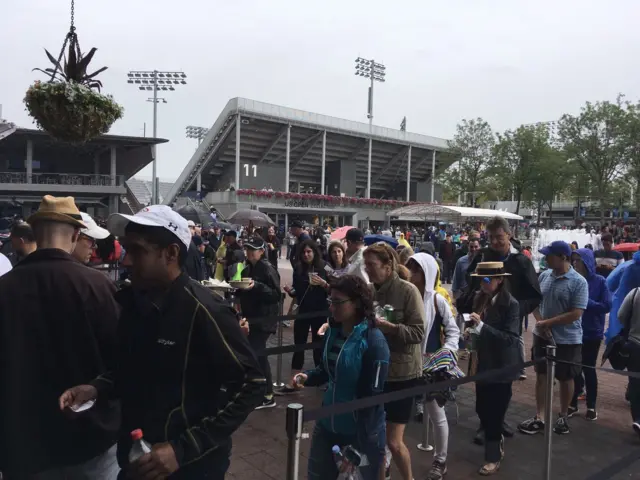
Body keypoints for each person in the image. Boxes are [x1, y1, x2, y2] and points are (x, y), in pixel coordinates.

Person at [60, 205, 266, 479]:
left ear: (171, 253)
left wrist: (183, 450)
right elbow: (135, 369)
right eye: (126, 249)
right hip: (136, 458)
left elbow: (251, 385)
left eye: (137, 251)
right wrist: (97, 388)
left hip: (191, 467)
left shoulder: (204, 311)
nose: (126, 261)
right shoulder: (133, 303)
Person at [0, 195, 120, 478]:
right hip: (89, 438)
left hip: (23, 443)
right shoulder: (97, 285)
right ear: (77, 234)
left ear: (35, 234)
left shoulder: (5, 288)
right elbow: (123, 356)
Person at [296, 275, 390, 480]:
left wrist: (358, 447)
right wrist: (308, 376)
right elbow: (327, 370)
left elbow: (371, 400)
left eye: (337, 302)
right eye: (330, 301)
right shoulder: (334, 331)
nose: (331, 307)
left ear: (356, 303)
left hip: (359, 432)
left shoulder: (374, 342)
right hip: (327, 424)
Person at [363, 243, 425, 480]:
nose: (367, 269)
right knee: (376, 438)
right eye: (365, 265)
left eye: (372, 265)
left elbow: (418, 333)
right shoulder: (368, 292)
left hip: (402, 374)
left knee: (393, 441)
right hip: (377, 371)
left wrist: (391, 328)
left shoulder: (408, 291)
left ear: (388, 267)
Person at [518, 240, 588, 436]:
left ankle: (563, 416)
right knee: (541, 376)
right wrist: (541, 323)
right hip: (542, 336)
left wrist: (550, 323)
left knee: (566, 377)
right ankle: (540, 416)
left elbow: (576, 313)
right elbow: (534, 302)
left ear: (563, 257)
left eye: (550, 256)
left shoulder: (578, 282)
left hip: (568, 339)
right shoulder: (545, 277)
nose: (546, 258)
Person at [407, 253, 459, 480]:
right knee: (394, 411)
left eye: (416, 270)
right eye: (410, 269)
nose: (411, 274)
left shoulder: (437, 300)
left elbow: (453, 330)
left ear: (426, 273)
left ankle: (440, 459)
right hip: (406, 363)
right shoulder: (405, 296)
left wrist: (445, 354)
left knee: (437, 414)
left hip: (431, 366)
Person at [466, 262, 521, 476]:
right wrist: (470, 331)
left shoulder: (511, 304)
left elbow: (511, 339)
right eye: (481, 279)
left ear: (499, 280)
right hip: (483, 362)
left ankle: (492, 458)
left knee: (495, 413)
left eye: (486, 280)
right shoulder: (481, 298)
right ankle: (495, 441)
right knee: (481, 408)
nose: (482, 283)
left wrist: (481, 327)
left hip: (502, 366)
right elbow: (477, 327)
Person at [236, 235, 282, 410]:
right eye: (247, 249)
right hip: (252, 318)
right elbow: (246, 290)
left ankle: (267, 394)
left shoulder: (266, 268)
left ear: (262, 251)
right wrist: (238, 290)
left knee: (258, 355)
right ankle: (258, 390)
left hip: (264, 319)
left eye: (252, 249)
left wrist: (256, 286)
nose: (248, 252)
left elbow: (276, 295)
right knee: (254, 354)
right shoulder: (248, 268)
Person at [280, 239, 330, 393]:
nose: (306, 254)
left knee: (318, 345)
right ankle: (293, 381)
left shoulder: (323, 268)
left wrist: (323, 283)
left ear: (314, 252)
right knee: (299, 345)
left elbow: (331, 290)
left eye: (309, 252)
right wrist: (290, 291)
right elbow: (298, 292)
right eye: (304, 252)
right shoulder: (298, 268)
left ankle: (320, 380)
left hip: (320, 311)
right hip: (304, 310)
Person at [568, 249, 611, 420]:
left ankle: (591, 406)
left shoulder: (600, 281)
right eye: (574, 260)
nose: (575, 263)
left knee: (589, 369)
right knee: (574, 369)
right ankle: (572, 403)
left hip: (592, 332)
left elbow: (607, 306)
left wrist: (586, 302)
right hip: (574, 331)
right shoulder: (573, 280)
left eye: (578, 260)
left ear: (587, 261)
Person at [615, 287, 640, 438]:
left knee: (635, 384)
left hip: (635, 344)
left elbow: (621, 316)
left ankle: (638, 419)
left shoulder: (636, 292)